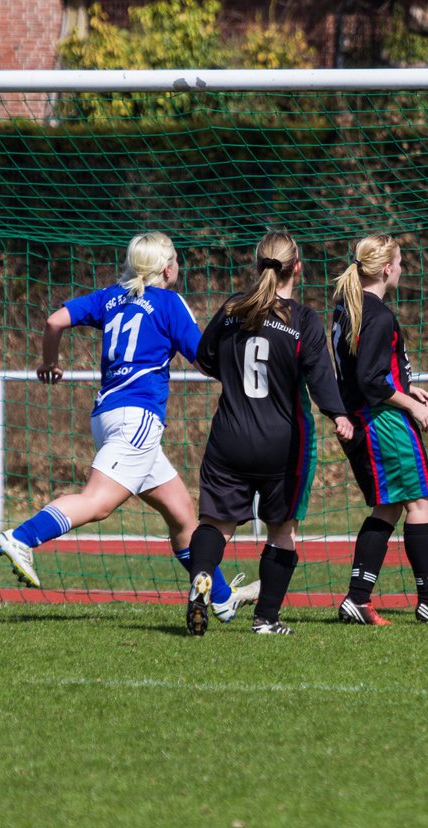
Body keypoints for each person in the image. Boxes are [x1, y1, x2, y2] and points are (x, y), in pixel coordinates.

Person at [0, 232, 257, 623]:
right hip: (138, 418)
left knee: (183, 515)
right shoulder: (169, 302)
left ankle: (221, 597)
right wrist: (248, 376)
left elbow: (54, 320)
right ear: (168, 268)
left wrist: (49, 364)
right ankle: (22, 537)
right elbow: (204, 360)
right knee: (97, 503)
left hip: (107, 416)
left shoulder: (109, 297)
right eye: (177, 262)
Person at [183, 230, 353, 636]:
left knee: (216, 523)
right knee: (283, 530)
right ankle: (266, 619)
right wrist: (339, 416)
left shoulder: (230, 310)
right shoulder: (304, 320)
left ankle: (202, 577)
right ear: (297, 267)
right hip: (283, 444)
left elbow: (204, 359)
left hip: (229, 438)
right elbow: (321, 379)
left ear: (257, 264)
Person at [332, 234, 428, 624]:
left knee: (390, 506)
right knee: (419, 502)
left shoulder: (348, 309)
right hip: (384, 421)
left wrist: (406, 386)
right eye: (401, 263)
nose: (403, 269)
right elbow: (372, 380)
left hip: (368, 417)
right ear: (388, 268)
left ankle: (357, 598)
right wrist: (408, 404)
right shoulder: (377, 314)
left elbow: (369, 373)